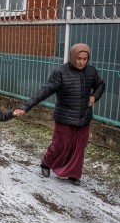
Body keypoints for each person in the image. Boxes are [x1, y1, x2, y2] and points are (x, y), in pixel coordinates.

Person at [14, 43, 105, 186]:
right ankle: (46, 163)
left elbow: (100, 85)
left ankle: (73, 173)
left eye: (85, 59)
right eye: (78, 58)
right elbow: (45, 91)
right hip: (65, 117)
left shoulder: (91, 72)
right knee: (60, 145)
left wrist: (94, 97)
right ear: (72, 56)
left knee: (79, 147)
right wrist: (26, 106)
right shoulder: (60, 72)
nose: (81, 62)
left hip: (84, 117)